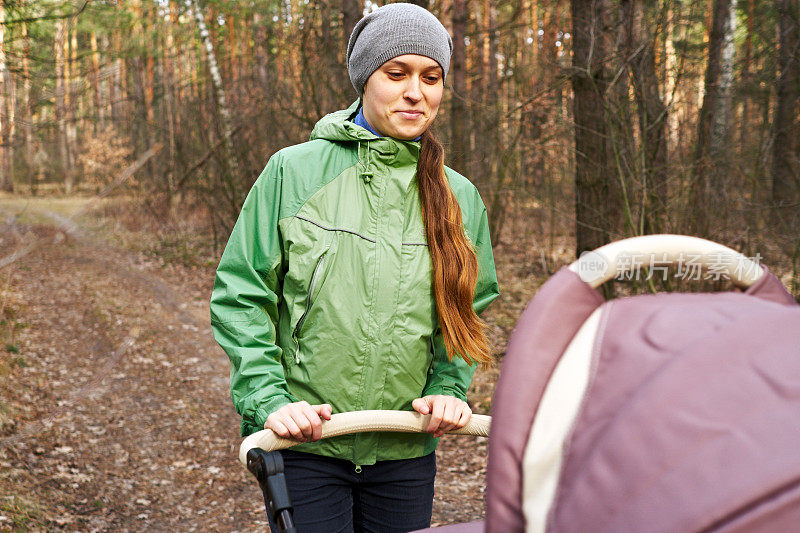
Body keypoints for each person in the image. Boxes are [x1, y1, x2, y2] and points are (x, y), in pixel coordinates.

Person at [210, 3, 499, 531]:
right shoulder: (292, 172)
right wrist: (270, 400)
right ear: (366, 78)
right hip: (306, 445)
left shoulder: (460, 197)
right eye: (398, 74)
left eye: (431, 77)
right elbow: (241, 292)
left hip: (405, 451)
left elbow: (466, 311)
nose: (417, 91)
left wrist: (449, 390)